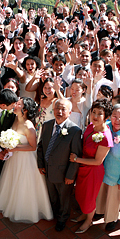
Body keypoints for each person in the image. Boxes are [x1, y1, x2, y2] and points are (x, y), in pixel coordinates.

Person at [0, 97, 54, 223]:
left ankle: (24, 210)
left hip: (26, 160)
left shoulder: (28, 126)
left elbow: (33, 147)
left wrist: (15, 148)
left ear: (25, 110)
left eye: (18, 104)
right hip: (14, 158)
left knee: (24, 183)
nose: (15, 105)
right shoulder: (15, 119)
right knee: (12, 180)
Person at [37, 98, 83, 231]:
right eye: (57, 108)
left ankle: (62, 218)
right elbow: (41, 146)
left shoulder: (75, 131)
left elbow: (76, 155)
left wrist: (70, 175)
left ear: (69, 112)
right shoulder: (46, 125)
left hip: (64, 174)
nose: (60, 112)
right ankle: (54, 213)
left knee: (64, 198)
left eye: (63, 109)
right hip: (47, 170)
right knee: (52, 195)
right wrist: (41, 164)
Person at [70, 99, 114, 233]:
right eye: (93, 112)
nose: (95, 116)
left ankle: (89, 221)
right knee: (81, 194)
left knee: (89, 197)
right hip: (83, 167)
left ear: (106, 117)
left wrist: (77, 160)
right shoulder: (91, 126)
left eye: (99, 114)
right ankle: (84, 214)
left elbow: (97, 161)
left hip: (93, 172)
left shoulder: (105, 137)